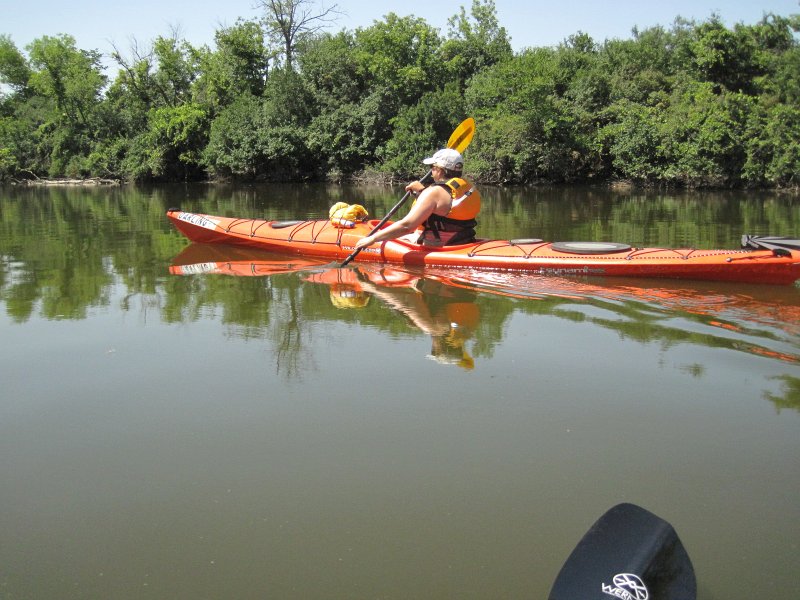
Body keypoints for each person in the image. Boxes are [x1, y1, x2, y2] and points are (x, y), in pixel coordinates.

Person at [353, 148, 481, 250]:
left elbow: (407, 226)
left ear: (439, 170)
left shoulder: (433, 192)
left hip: (438, 245)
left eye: (432, 167)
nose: (431, 171)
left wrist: (372, 239)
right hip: (463, 240)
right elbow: (443, 210)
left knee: (392, 236)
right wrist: (421, 192)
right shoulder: (467, 188)